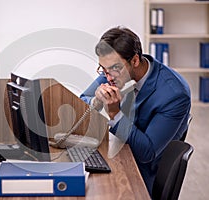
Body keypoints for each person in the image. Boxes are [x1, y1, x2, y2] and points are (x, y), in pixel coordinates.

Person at [80, 26, 191, 196]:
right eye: (103, 69)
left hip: (141, 175)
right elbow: (82, 101)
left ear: (135, 61)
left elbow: (147, 152)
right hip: (117, 153)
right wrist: (95, 101)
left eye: (114, 69)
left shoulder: (174, 94)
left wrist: (115, 114)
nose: (107, 77)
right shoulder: (113, 70)